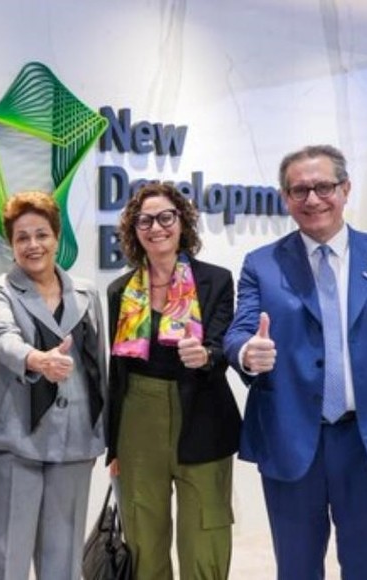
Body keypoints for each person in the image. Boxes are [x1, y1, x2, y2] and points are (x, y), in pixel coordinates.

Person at [223, 145, 367, 579]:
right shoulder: (262, 264)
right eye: (299, 190)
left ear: (345, 189)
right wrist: (249, 353)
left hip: (361, 441)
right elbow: (238, 332)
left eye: (323, 187)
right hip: (290, 439)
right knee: (297, 568)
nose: (312, 199)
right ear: (285, 198)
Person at [108, 182, 241, 579]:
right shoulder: (121, 290)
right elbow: (118, 370)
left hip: (201, 411)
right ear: (134, 231)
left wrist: (206, 355)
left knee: (206, 530)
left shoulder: (215, 280)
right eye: (144, 220)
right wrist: (111, 443)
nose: (156, 227)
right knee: (143, 532)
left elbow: (223, 345)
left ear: (182, 222)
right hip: (137, 417)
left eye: (166, 217)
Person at [0, 191, 106, 580]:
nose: (33, 245)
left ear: (57, 237)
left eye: (42, 234)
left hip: (76, 440)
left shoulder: (87, 292)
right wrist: (37, 360)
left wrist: (105, 430)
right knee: (6, 559)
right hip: (16, 437)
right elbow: (3, 339)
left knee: (63, 562)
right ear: (11, 244)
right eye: (22, 237)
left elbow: (98, 367)